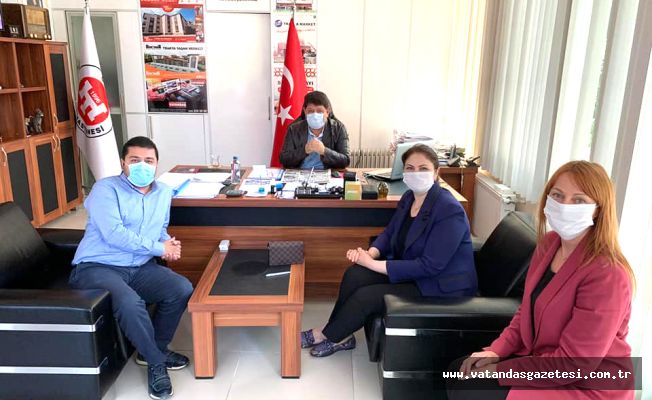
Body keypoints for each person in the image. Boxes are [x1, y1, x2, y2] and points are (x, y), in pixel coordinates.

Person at [447, 161, 635, 400]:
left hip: (586, 382)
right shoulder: (549, 244)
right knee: (458, 370)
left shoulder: (608, 275)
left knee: (471, 389)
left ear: (598, 209)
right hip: (544, 362)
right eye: (557, 195)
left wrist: (499, 370)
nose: (565, 206)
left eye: (579, 200)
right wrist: (496, 350)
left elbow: (574, 364)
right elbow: (526, 310)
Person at [301, 144, 477, 357]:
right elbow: (390, 232)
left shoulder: (449, 210)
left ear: (436, 172)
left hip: (438, 285)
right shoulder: (409, 197)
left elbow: (430, 266)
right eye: (410, 168)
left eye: (423, 168)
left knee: (366, 296)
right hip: (413, 272)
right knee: (355, 274)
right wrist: (371, 253)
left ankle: (327, 334)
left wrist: (372, 264)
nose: (416, 173)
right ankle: (340, 334)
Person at [70, 136, 194, 400]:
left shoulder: (163, 192)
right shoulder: (105, 189)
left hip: (138, 267)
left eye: (149, 161)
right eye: (135, 160)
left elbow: (159, 228)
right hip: (98, 265)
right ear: (123, 163)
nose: (142, 166)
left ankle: (152, 351)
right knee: (130, 303)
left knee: (181, 288)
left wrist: (168, 243)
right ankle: (157, 364)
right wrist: (160, 249)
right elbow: (114, 234)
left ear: (157, 164)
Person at [279, 91, 350, 169]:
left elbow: (346, 160)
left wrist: (324, 151)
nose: (315, 115)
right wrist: (304, 150)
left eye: (319, 111)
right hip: (300, 173)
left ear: (327, 112)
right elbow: (284, 159)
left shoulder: (339, 129)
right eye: (310, 111)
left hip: (328, 173)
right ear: (305, 111)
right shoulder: (293, 129)